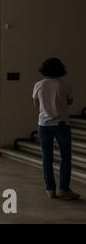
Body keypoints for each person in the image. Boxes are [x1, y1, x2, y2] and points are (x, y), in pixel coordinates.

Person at [32, 58, 80, 200]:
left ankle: (50, 189)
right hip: (61, 124)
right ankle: (64, 189)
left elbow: (36, 105)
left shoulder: (38, 85)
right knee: (65, 157)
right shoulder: (65, 85)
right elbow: (70, 102)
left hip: (43, 125)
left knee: (47, 158)